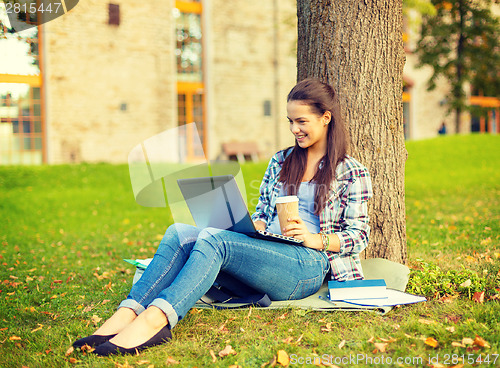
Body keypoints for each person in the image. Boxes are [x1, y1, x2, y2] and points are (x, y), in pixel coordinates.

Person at [72, 78, 373, 356]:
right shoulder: (281, 161)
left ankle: (157, 318)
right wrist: (250, 225)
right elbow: (263, 214)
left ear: (326, 118)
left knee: (216, 243)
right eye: (291, 121)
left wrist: (314, 238)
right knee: (180, 231)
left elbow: (359, 235)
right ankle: (128, 312)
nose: (295, 129)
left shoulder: (351, 171)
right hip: (270, 249)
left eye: (301, 121)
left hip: (308, 263)